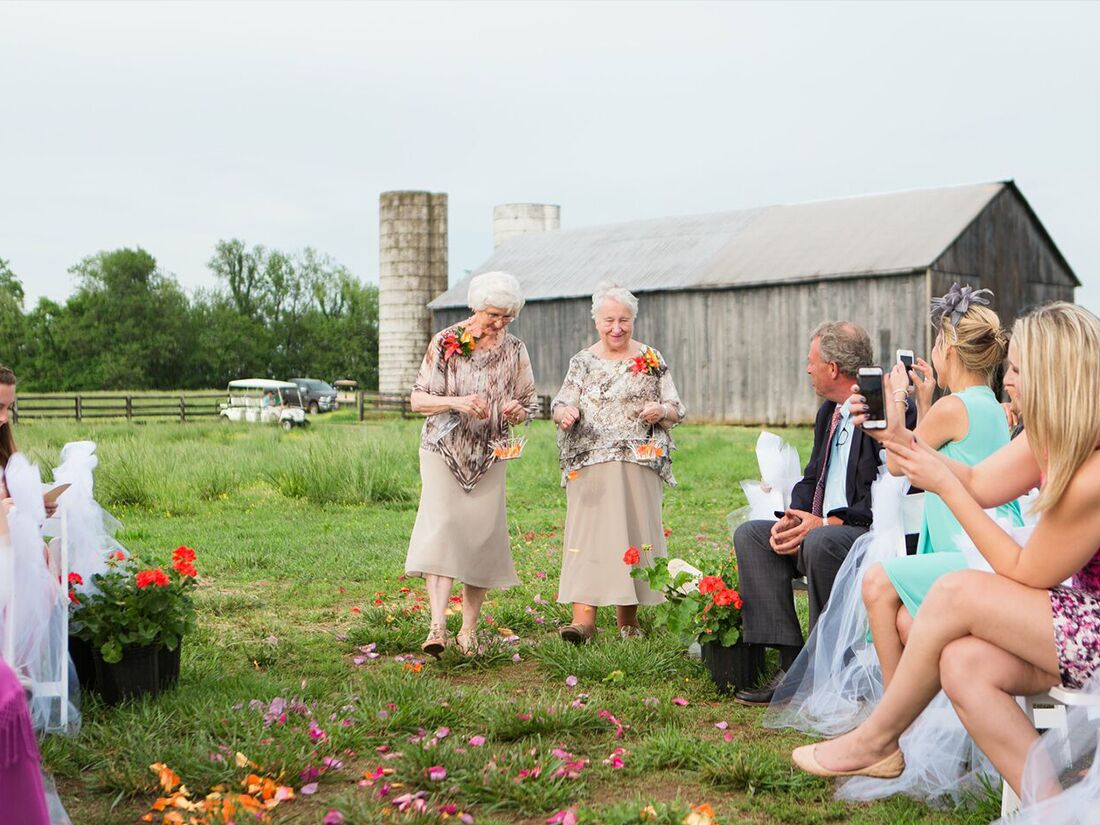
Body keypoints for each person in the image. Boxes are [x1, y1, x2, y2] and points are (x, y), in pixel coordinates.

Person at [791, 302, 1100, 806]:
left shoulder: (1093, 473)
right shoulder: (1052, 436)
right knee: (960, 663)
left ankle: (880, 737)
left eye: (1019, 369)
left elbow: (1026, 571)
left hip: (1091, 622)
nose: (1009, 379)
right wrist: (900, 441)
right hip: (1072, 618)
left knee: (956, 589)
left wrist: (943, 485)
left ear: (1057, 377)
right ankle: (1049, 811)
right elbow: (978, 480)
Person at [732, 322, 914, 706]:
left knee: (820, 541)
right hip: (820, 530)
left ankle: (826, 668)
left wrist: (828, 522)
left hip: (862, 534)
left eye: (812, 361)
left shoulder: (881, 408)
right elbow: (813, 475)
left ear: (833, 368)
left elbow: (886, 492)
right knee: (752, 535)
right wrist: (794, 515)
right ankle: (791, 664)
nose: (808, 369)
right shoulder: (828, 412)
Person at [861, 286, 1023, 686]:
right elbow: (939, 451)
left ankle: (891, 717)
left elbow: (901, 463)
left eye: (936, 342)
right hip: (986, 541)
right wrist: (927, 400)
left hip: (967, 548)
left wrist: (897, 396)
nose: (934, 350)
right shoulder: (985, 403)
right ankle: (927, 714)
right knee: (904, 619)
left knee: (878, 582)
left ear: (949, 350)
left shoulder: (956, 407)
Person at [405, 271, 537, 657]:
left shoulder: (515, 349)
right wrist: (459, 402)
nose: (498, 324)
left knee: (482, 535)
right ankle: (436, 627)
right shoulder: (445, 343)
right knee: (442, 527)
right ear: (475, 307)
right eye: (493, 315)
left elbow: (528, 401)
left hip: (491, 452)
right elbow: (417, 400)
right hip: (443, 448)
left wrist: (516, 410)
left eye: (506, 317)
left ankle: (469, 631)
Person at [551, 282, 685, 643]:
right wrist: (566, 412)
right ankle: (584, 623)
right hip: (590, 459)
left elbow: (677, 408)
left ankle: (628, 622)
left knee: (634, 534)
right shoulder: (582, 361)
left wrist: (661, 411)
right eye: (609, 320)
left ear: (633, 321)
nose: (617, 328)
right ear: (597, 321)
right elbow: (560, 403)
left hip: (639, 459)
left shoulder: (651, 359)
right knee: (589, 536)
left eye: (624, 320)